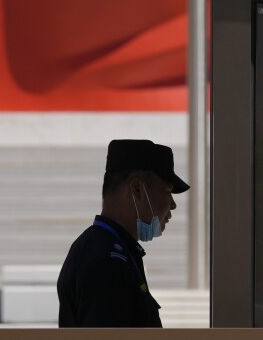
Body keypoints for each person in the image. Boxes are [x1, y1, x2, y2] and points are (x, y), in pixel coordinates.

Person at [57, 139, 190, 327]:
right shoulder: (106, 259)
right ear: (137, 189)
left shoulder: (108, 248)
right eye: (168, 191)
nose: (173, 204)